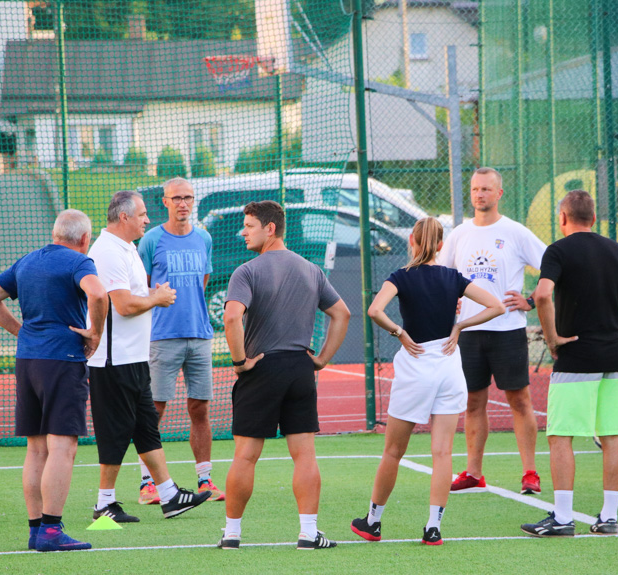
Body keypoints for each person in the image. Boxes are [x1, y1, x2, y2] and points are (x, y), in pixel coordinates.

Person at [350, 217, 505, 546]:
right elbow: (497, 306)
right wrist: (460, 326)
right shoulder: (453, 278)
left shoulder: (401, 277)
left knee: (393, 451)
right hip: (449, 367)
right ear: (439, 245)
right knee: (442, 452)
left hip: (416, 365)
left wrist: (400, 332)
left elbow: (375, 310)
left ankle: (373, 522)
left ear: (412, 240)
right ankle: (433, 527)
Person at [520, 191, 618, 537]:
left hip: (576, 358)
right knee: (612, 436)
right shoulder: (615, 249)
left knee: (560, 436)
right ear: (594, 219)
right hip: (613, 355)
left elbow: (541, 294)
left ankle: (564, 518)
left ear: (563, 217)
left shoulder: (558, 250)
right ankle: (609, 518)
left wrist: (552, 339)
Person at [219, 200, 350, 551]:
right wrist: (320, 359)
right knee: (304, 454)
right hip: (299, 368)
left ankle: (232, 534)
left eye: (248, 225)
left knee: (246, 455)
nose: (242, 232)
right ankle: (309, 533)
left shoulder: (246, 271)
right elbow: (343, 314)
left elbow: (232, 318)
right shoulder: (311, 269)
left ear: (270, 228)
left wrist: (239, 361)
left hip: (261, 367)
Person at [0, 210, 106, 551]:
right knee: (63, 446)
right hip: (62, 361)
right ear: (83, 239)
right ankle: (51, 531)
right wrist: (95, 334)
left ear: (55, 233)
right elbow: (99, 294)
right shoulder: (80, 262)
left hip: (28, 361)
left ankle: (37, 530)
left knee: (36, 448)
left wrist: (22, 332)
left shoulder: (27, 261)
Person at [88, 191, 212, 523]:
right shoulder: (107, 251)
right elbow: (124, 304)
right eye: (142, 214)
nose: (147, 219)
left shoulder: (127, 248)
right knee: (116, 432)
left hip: (135, 359)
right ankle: (104, 504)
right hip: (113, 361)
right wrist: (156, 298)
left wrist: (152, 296)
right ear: (125, 217)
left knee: (146, 429)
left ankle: (169, 495)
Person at [439, 167, 548, 495]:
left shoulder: (515, 232)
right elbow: (444, 277)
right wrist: (451, 302)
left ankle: (530, 472)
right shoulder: (459, 234)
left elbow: (553, 266)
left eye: (486, 189)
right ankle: (473, 472)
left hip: (508, 330)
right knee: (473, 401)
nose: (479, 195)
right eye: (474, 189)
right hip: (469, 332)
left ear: (499, 194)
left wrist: (530, 300)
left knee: (519, 399)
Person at [136, 177, 223, 505]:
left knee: (199, 408)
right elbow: (141, 289)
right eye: (177, 198)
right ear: (165, 202)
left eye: (188, 197)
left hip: (200, 336)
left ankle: (205, 480)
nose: (183, 203)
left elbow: (202, 283)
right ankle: (148, 484)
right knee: (154, 410)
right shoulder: (151, 240)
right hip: (161, 337)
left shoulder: (204, 238)